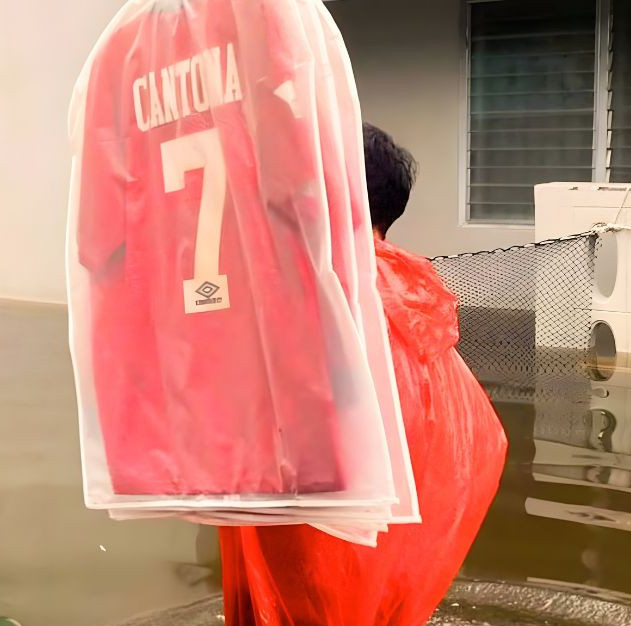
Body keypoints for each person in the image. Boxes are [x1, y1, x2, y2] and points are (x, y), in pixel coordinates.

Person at [217, 123, 509, 626]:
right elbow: (483, 446)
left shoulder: (318, 298)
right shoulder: (414, 297)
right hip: (392, 567)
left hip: (319, 549)